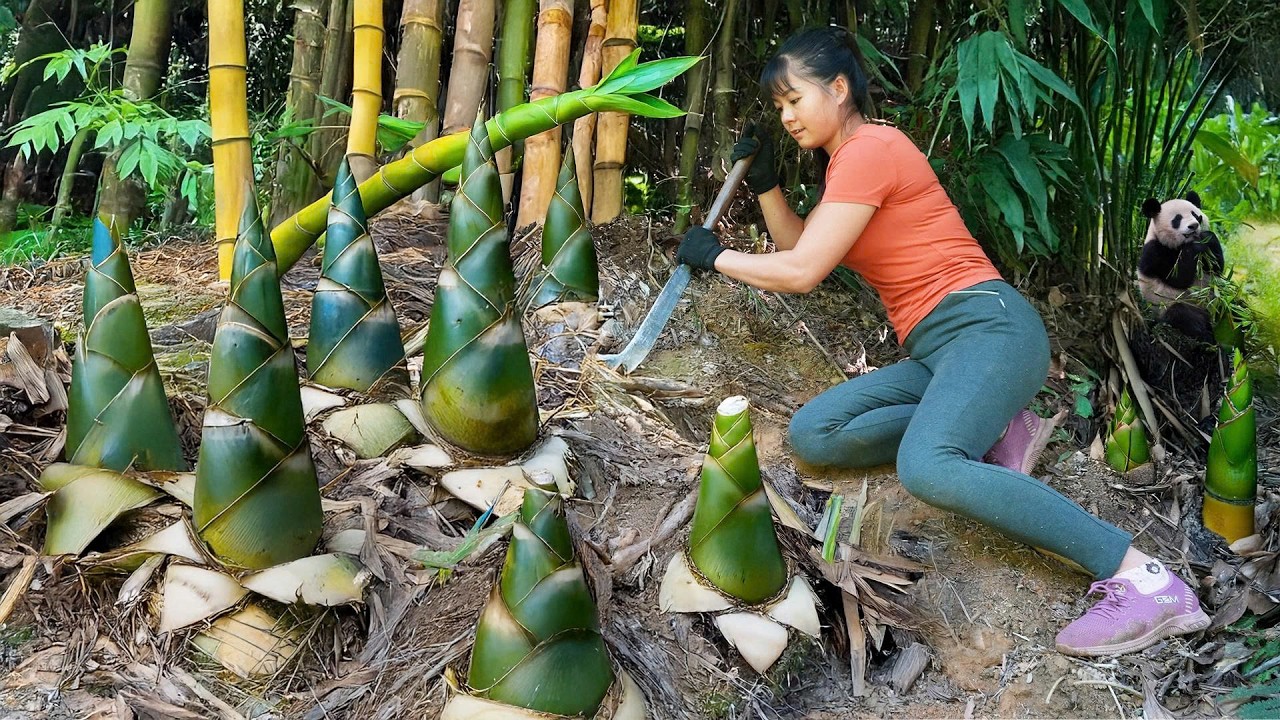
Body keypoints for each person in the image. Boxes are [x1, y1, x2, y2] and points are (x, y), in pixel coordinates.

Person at [676, 26, 1210, 657]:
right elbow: (799, 244)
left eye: (794, 99)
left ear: (839, 88)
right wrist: (766, 183)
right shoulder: (845, 167)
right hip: (938, 352)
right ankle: (992, 426)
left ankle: (1139, 576)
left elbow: (800, 272)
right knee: (814, 435)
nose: (787, 115)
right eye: (779, 107)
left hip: (988, 327)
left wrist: (718, 258)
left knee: (926, 465)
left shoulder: (871, 148)